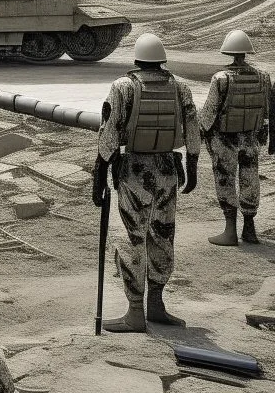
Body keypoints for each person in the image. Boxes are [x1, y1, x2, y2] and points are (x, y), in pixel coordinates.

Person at [92, 33, 200, 333]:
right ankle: (157, 304)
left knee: (133, 238)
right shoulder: (180, 87)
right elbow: (192, 128)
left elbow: (109, 132)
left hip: (135, 171)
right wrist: (192, 165)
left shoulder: (124, 87)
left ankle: (136, 312)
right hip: (168, 170)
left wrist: (99, 173)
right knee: (163, 235)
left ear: (137, 59)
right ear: (161, 59)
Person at [198, 30, 272, 245]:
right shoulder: (263, 77)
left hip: (225, 140)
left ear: (228, 51)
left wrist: (201, 135)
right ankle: (250, 229)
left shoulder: (221, 79)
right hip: (250, 139)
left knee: (225, 180)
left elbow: (209, 113)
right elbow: (267, 111)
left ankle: (230, 231)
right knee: (250, 180)